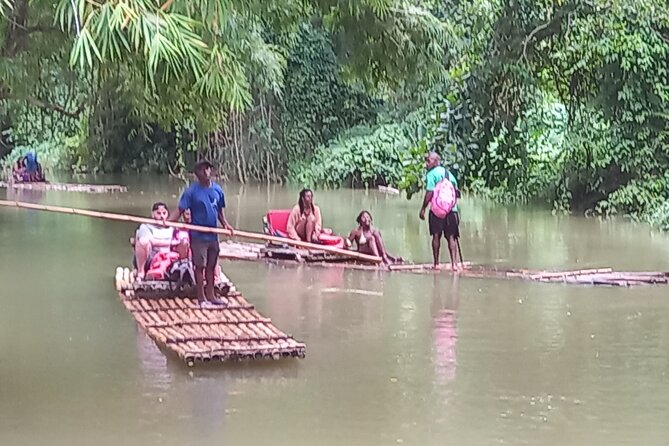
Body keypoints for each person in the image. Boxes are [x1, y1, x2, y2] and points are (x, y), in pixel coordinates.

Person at [169, 160, 234, 307]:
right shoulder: (191, 192)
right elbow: (180, 210)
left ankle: (211, 295)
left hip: (213, 235)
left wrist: (225, 224)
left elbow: (219, 211)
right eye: (202, 170)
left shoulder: (217, 190)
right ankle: (201, 298)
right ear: (196, 173)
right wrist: (167, 222)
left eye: (208, 169)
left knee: (211, 265)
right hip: (198, 235)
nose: (206, 172)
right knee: (200, 266)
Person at [419, 151, 461, 271]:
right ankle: (454, 264)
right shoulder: (449, 174)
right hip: (451, 210)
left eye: (428, 161)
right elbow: (456, 193)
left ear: (436, 161)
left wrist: (423, 208)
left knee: (436, 236)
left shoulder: (431, 174)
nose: (426, 164)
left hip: (437, 211)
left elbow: (429, 193)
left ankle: (436, 264)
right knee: (451, 237)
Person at [134, 202, 184, 280]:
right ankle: (141, 272)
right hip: (151, 258)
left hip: (170, 258)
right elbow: (150, 241)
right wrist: (171, 243)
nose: (161, 216)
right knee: (143, 241)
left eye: (164, 213)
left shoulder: (173, 228)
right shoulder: (145, 226)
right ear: (153, 214)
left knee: (184, 243)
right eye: (158, 213)